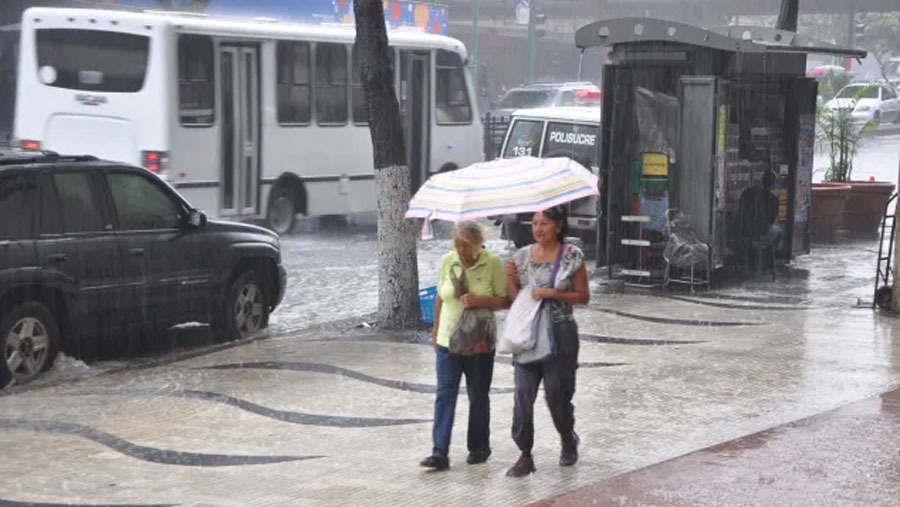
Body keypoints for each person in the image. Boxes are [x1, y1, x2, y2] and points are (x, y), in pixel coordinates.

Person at [503, 206, 590, 477]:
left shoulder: (571, 256)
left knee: (557, 396)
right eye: (535, 224)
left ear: (559, 225)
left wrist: (552, 293)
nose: (538, 229)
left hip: (560, 335)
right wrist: (509, 279)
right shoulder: (519, 257)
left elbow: (583, 297)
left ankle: (567, 438)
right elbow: (512, 301)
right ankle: (525, 455)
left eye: (545, 223)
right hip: (526, 335)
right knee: (522, 396)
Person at [420, 221, 509, 471]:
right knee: (444, 395)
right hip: (448, 340)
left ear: (478, 243)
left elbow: (505, 300)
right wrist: (435, 332)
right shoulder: (449, 260)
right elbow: (440, 297)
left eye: (465, 245)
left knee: (478, 395)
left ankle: (479, 446)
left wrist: (480, 300)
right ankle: (439, 452)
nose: (461, 250)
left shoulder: (491, 263)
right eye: (457, 244)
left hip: (478, 343)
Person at [738, 170, 784, 254]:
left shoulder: (747, 192)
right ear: (773, 184)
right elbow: (771, 219)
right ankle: (769, 255)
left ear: (761, 180)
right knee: (779, 232)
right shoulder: (773, 199)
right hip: (762, 231)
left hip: (743, 229)